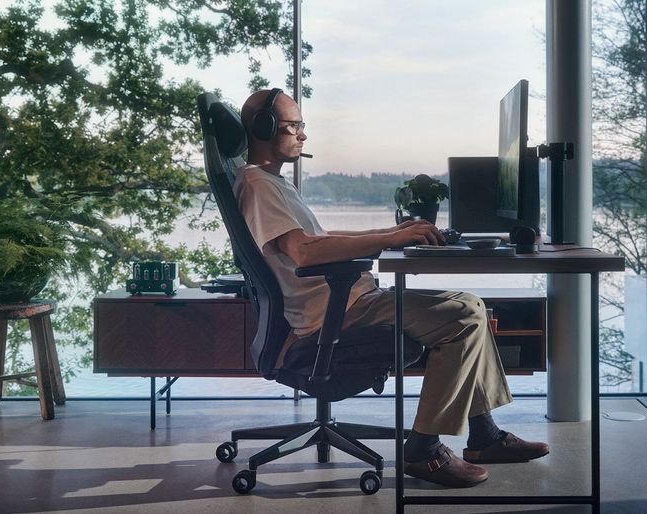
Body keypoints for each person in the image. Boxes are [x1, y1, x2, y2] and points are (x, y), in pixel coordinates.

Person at [232, 88, 550, 488]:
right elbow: (305, 251)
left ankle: (485, 436)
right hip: (337, 312)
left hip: (349, 300)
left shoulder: (273, 184)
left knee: (472, 308)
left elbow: (319, 236)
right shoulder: (259, 186)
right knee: (465, 316)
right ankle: (423, 450)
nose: (302, 135)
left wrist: (391, 231)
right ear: (264, 128)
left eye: (302, 126)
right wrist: (390, 241)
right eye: (294, 126)